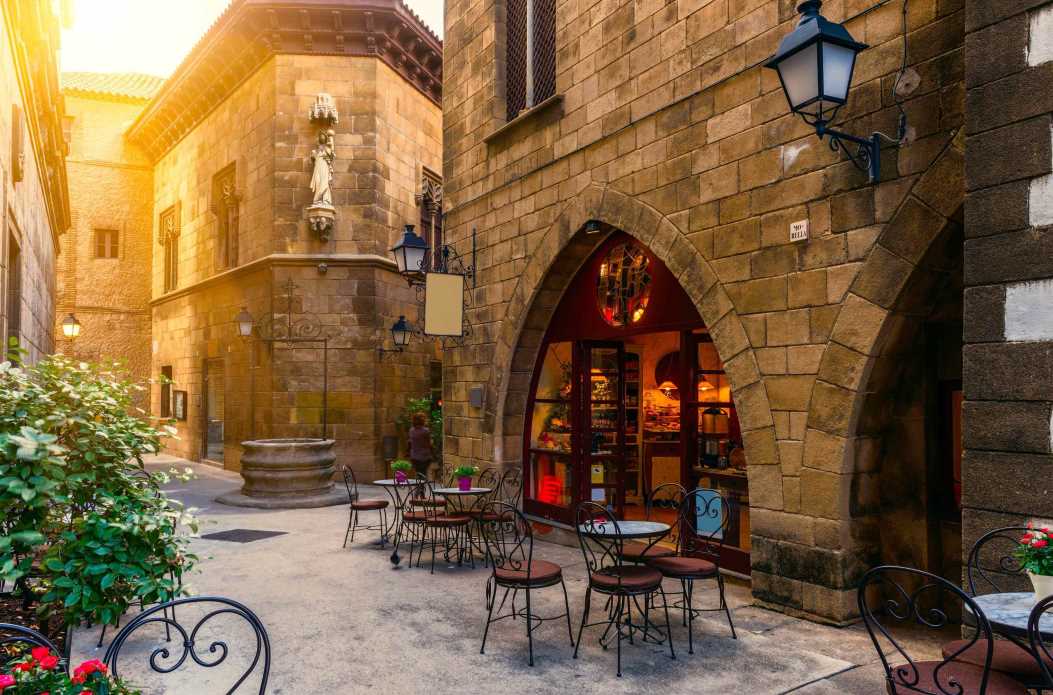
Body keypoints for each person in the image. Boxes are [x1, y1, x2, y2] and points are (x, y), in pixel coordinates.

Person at [408, 412, 433, 479]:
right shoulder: (425, 431)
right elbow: (429, 443)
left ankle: (419, 488)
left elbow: (410, 442)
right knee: (423, 474)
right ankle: (421, 488)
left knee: (419, 473)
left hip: (414, 456)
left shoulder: (411, 430)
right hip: (424, 456)